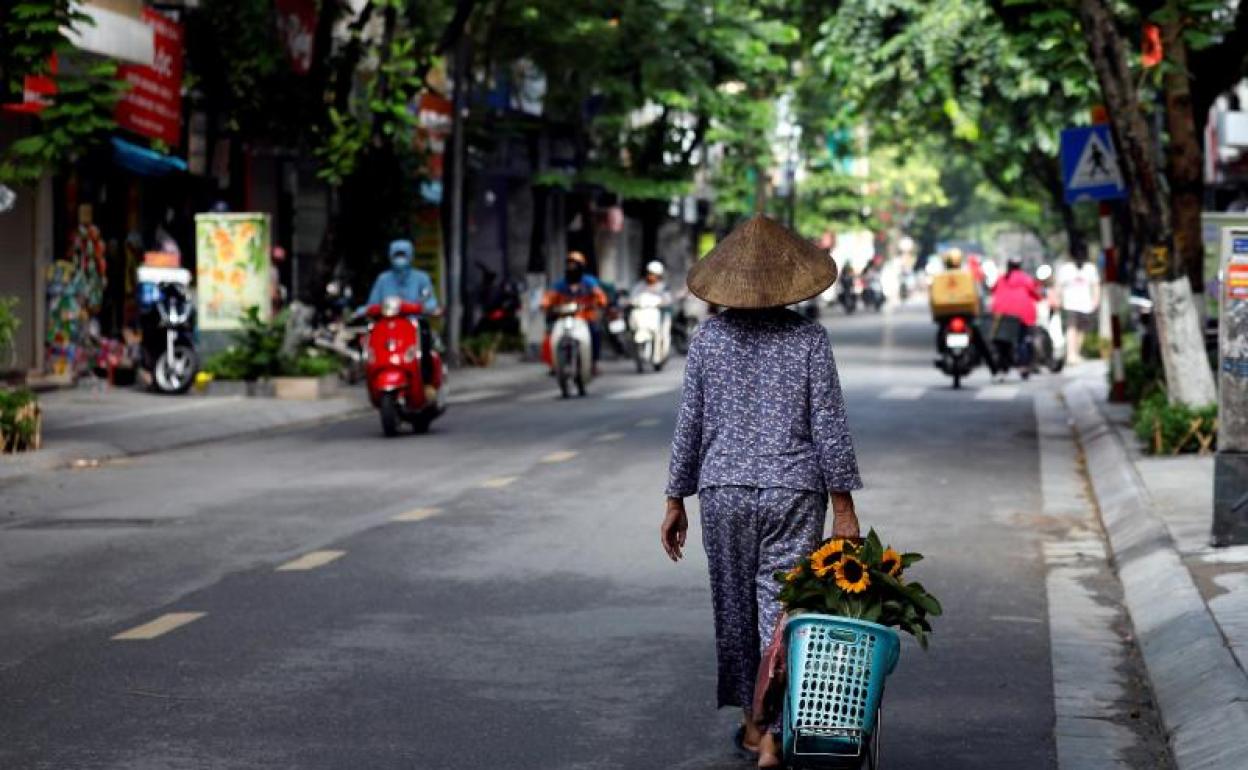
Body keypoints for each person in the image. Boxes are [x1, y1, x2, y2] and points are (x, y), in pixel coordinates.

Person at [660, 215, 863, 769]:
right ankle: (774, 735)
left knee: (734, 610)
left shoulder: (707, 339)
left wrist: (675, 498)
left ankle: (753, 726)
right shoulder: (809, 340)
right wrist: (843, 507)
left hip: (722, 492)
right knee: (784, 610)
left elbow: (690, 424)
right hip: (792, 494)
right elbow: (830, 426)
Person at [365, 239, 441, 399]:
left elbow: (431, 301)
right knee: (371, 348)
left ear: (411, 256)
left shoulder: (421, 278)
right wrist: (365, 310)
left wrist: (426, 307)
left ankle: (427, 384)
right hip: (388, 326)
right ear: (390, 256)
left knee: (425, 346)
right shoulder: (383, 279)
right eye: (397, 255)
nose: (400, 259)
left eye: (403, 255)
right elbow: (372, 303)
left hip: (413, 325)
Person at [541, 251, 608, 373]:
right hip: (563, 317)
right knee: (550, 336)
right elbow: (549, 297)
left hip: (585, 317)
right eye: (569, 264)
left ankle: (593, 362)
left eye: (575, 264)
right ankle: (555, 363)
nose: (572, 267)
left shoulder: (589, 282)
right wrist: (546, 305)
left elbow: (599, 296)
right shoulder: (560, 284)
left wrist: (599, 303)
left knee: (595, 332)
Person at [990, 256, 1043, 378]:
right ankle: (1023, 366)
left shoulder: (1002, 278)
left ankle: (1003, 366)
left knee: (1002, 340)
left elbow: (992, 290)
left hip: (1002, 314)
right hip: (1022, 315)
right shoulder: (1025, 278)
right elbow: (1037, 295)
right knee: (1022, 340)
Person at [1056, 250, 1101, 364]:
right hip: (1070, 304)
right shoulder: (1066, 269)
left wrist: (1096, 300)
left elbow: (1096, 285)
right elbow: (1059, 285)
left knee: (1081, 329)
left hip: (1086, 305)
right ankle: (1071, 355)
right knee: (1071, 328)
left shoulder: (1090, 268)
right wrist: (1058, 299)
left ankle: (1076, 352)